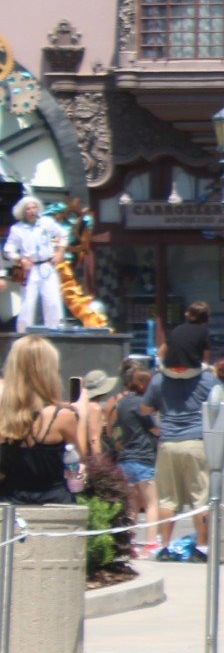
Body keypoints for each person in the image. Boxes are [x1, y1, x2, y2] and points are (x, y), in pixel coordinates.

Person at [146, 345, 215, 562]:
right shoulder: (206, 379)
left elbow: (145, 408)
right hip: (196, 441)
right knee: (201, 497)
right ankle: (202, 547)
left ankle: (164, 546)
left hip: (168, 442)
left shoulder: (158, 380)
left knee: (167, 499)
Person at [0, 336, 79, 505]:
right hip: (55, 504)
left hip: (9, 506)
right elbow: (79, 457)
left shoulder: (3, 414)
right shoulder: (63, 416)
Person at [111, 363, 160, 556]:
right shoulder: (143, 405)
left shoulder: (121, 403)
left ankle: (128, 544)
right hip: (144, 456)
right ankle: (150, 544)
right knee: (151, 503)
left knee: (131, 505)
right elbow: (154, 429)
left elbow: (116, 429)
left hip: (125, 458)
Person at [4, 197, 68, 332]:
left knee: (53, 302)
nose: (32, 211)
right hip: (29, 268)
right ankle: (22, 333)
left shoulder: (46, 222)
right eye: (28, 209)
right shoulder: (17, 229)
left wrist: (60, 252)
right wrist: (20, 259)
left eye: (34, 208)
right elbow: (8, 249)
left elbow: (63, 234)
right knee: (27, 302)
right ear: (23, 212)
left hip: (47, 265)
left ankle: (56, 331)